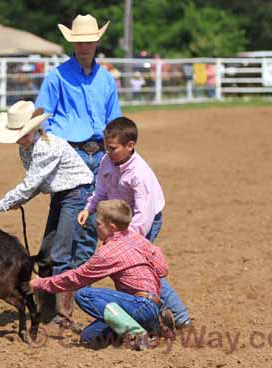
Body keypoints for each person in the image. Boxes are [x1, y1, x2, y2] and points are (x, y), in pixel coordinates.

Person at [35, 14, 122, 317]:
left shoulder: (106, 79)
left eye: (89, 41)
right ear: (72, 43)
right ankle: (59, 304)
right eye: (79, 42)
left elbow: (114, 122)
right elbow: (41, 117)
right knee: (66, 223)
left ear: (97, 41)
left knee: (85, 229)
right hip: (69, 154)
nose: (84, 46)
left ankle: (66, 298)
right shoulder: (57, 77)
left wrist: (115, 158)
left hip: (99, 155)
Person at [0, 100, 94, 328]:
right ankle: (48, 309)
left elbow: (31, 183)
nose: (18, 138)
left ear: (33, 129)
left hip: (75, 196)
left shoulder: (47, 147)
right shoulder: (26, 148)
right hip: (61, 196)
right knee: (46, 255)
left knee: (61, 255)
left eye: (21, 134)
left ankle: (63, 317)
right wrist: (19, 200)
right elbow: (35, 183)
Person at [77, 117, 192, 329]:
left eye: (112, 148)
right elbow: (101, 190)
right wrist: (89, 208)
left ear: (130, 146)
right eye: (106, 147)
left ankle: (179, 316)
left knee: (140, 269)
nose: (108, 152)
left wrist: (127, 240)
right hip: (121, 221)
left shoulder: (139, 174)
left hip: (142, 222)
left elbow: (144, 215)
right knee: (131, 271)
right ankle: (150, 312)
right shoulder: (107, 161)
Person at [25, 199, 175, 349]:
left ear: (112, 227)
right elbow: (163, 270)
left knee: (84, 294)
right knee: (89, 336)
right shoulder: (138, 239)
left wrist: (38, 283)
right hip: (152, 305)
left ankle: (136, 334)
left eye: (98, 224)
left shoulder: (108, 252)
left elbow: (75, 279)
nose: (96, 228)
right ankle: (155, 326)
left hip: (139, 305)